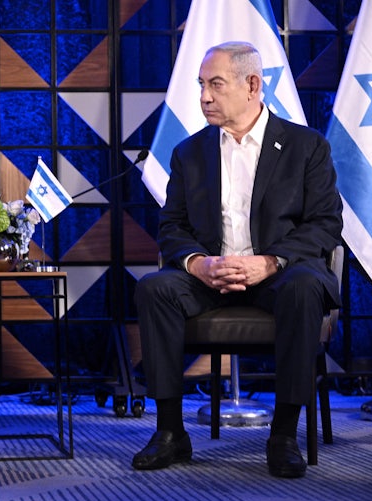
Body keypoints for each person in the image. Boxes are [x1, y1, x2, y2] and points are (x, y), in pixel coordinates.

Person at [132, 41, 343, 478]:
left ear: (252, 85)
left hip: (280, 275)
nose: (204, 96)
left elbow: (325, 224)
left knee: (305, 287)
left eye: (215, 84)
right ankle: (171, 432)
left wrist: (270, 262)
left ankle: (284, 434)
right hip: (210, 276)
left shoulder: (307, 147)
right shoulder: (189, 154)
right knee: (154, 288)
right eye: (201, 85)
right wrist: (198, 264)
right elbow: (172, 228)